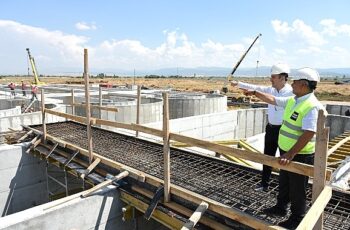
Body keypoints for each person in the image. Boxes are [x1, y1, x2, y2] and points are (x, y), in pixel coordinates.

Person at [242, 67, 325, 229]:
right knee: (284, 182)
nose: (291, 84)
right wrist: (255, 93)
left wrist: (291, 153)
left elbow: (309, 132)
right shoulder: (295, 100)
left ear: (303, 84)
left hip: (300, 154)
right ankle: (280, 208)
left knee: (297, 188)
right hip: (286, 152)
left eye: (295, 82)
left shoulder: (311, 105)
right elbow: (274, 100)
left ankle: (297, 218)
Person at [231, 63, 293, 191]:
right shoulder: (271, 89)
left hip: (284, 131)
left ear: (282, 77)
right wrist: (238, 83)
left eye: (274, 77)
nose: (271, 79)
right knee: (267, 157)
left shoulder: (291, 93)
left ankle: (284, 189)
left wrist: (255, 93)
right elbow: (256, 87)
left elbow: (273, 99)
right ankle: (264, 184)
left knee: (284, 160)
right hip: (271, 128)